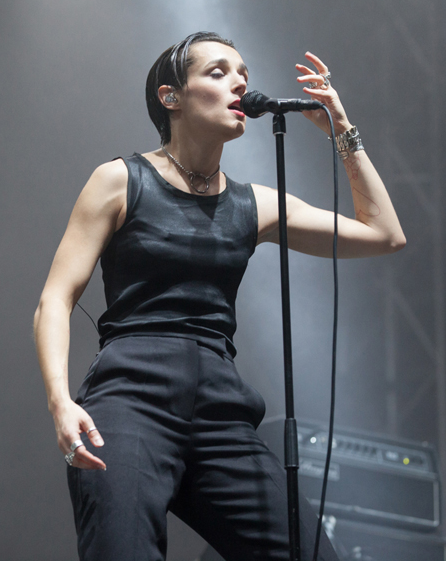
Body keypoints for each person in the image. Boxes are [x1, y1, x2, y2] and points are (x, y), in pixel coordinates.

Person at [33, 32, 405, 561]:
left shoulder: (255, 204)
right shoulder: (119, 180)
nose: (240, 84)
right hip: (130, 398)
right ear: (171, 97)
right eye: (218, 72)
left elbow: (384, 234)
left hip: (221, 412)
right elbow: (55, 298)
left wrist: (342, 131)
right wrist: (60, 402)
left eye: (244, 75)